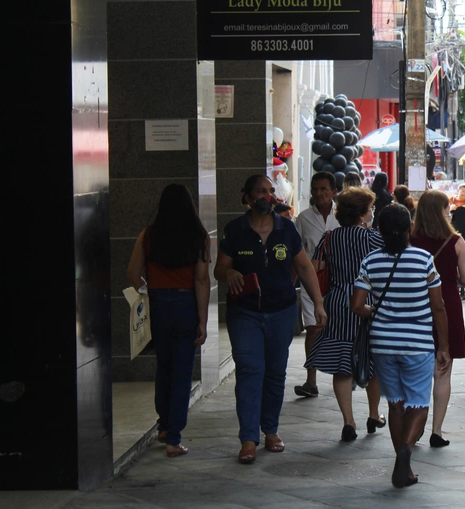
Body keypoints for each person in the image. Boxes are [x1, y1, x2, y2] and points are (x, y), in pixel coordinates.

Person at [214, 175, 327, 464]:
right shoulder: (234, 230)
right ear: (248, 198)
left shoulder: (286, 228)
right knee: (251, 371)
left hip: (281, 311)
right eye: (261, 191)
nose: (268, 195)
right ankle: (248, 438)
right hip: (245, 312)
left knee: (276, 372)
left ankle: (271, 431)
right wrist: (229, 274)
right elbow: (219, 268)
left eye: (270, 191)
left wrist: (318, 304)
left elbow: (303, 267)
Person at [351, 205, 450, 488]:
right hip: (417, 344)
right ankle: (405, 451)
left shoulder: (370, 261)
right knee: (419, 403)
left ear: (378, 230)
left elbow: (356, 306)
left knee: (395, 404)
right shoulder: (423, 260)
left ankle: (403, 467)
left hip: (383, 343)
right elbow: (438, 306)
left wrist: (376, 313)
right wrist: (443, 345)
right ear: (410, 229)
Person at [125, 184, 210, 458]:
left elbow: (132, 274)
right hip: (186, 305)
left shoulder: (148, 235)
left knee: (164, 367)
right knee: (183, 371)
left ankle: (163, 426)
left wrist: (150, 290)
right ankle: (174, 438)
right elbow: (200, 279)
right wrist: (202, 320)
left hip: (158, 304)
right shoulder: (199, 236)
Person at [306, 188, 386, 442]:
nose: (372, 213)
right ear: (363, 214)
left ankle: (348, 421)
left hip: (338, 303)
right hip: (368, 303)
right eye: (370, 209)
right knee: (372, 360)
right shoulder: (374, 239)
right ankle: (374, 414)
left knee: (343, 365)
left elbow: (317, 268)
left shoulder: (329, 238)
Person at [409, 190, 465, 447]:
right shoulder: (456, 241)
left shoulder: (410, 240)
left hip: (415, 305)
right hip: (447, 304)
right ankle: (436, 431)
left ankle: (414, 428)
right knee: (443, 371)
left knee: (416, 372)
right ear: (442, 211)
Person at [293, 172, 340, 398]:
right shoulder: (303, 218)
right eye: (315, 189)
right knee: (313, 327)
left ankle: (343, 375)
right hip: (311, 281)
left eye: (324, 189)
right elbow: (296, 251)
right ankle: (311, 380)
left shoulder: (342, 215)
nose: (319, 193)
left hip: (339, 281)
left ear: (333, 192)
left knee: (339, 328)